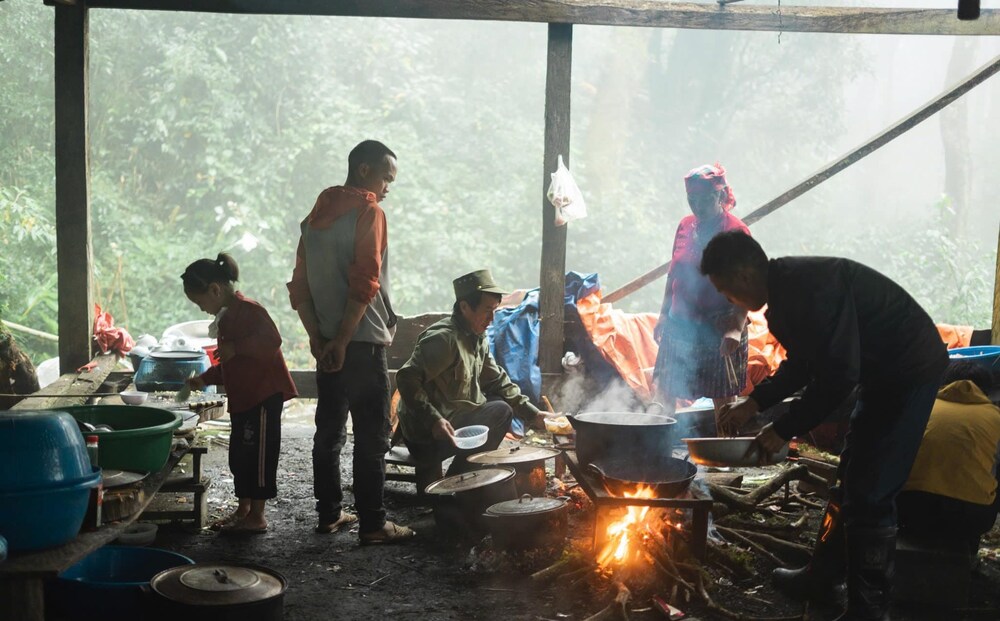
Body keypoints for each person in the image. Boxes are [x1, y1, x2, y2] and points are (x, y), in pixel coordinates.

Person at [701, 230, 948, 621]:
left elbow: (837, 376)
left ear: (744, 277)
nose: (729, 302)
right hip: (882, 373)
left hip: (908, 371)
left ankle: (869, 610)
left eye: (727, 293)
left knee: (872, 492)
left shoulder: (810, 289)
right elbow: (803, 363)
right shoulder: (786, 295)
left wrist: (783, 428)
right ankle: (824, 578)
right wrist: (755, 402)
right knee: (851, 477)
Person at [286, 140, 414, 544]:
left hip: (328, 345)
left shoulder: (313, 221)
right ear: (363, 171)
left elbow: (300, 288)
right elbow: (365, 283)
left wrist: (318, 339)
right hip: (361, 343)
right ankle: (374, 525)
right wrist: (343, 339)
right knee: (373, 437)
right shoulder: (369, 212)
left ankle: (329, 514)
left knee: (329, 433)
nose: (387, 187)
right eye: (385, 177)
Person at [395, 269, 544, 493]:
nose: (491, 319)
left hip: (454, 418)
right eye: (487, 311)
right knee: (501, 410)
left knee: (499, 400)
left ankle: (458, 478)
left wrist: (533, 415)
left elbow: (497, 380)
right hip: (426, 435)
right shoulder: (444, 340)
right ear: (465, 307)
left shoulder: (476, 336)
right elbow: (406, 379)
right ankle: (457, 484)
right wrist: (433, 419)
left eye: (495, 311)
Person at [182, 253, 297, 534]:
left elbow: (272, 341)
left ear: (214, 290)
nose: (201, 309)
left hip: (262, 397)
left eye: (200, 302)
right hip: (244, 399)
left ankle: (257, 516)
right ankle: (243, 509)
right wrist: (205, 379)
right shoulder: (227, 318)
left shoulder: (249, 310)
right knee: (240, 456)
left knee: (258, 457)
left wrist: (237, 348)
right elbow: (230, 362)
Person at [652, 163, 750, 421]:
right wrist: (663, 315)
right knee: (664, 391)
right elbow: (674, 274)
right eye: (691, 199)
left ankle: (724, 456)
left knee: (724, 401)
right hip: (679, 322)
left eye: (704, 199)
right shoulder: (685, 225)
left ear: (720, 195)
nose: (697, 206)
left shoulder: (736, 232)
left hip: (719, 327)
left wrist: (735, 329)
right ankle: (655, 451)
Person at [897, 360, 1000, 556]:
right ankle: (969, 551)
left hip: (908, 507)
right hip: (970, 518)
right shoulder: (995, 417)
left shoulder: (921, 407)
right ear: (987, 391)